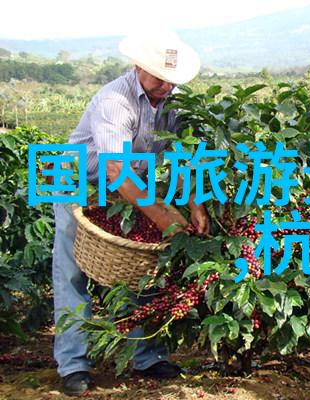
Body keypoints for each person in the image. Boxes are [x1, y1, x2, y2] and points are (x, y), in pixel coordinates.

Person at [52, 31, 207, 396]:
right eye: (159, 77)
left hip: (133, 190)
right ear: (138, 67)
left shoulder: (173, 102)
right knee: (72, 274)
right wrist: (165, 219)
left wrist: (195, 204)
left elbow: (181, 155)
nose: (166, 86)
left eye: (171, 80)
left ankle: (148, 358)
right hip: (80, 185)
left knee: (145, 271)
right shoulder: (115, 101)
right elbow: (115, 171)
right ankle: (73, 365)